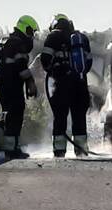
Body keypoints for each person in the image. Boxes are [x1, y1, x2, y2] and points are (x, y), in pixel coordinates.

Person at [0, 15, 39, 159]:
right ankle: (11, 150)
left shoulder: (7, 41)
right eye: (31, 31)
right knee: (15, 116)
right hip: (12, 85)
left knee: (8, 115)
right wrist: (31, 82)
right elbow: (21, 66)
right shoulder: (17, 43)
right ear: (24, 28)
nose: (32, 36)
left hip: (4, 85)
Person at [39, 14, 92, 157]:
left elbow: (45, 60)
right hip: (80, 84)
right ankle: (81, 150)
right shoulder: (82, 39)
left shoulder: (53, 37)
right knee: (79, 117)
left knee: (60, 117)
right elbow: (88, 62)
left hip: (61, 85)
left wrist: (55, 71)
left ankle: (59, 151)